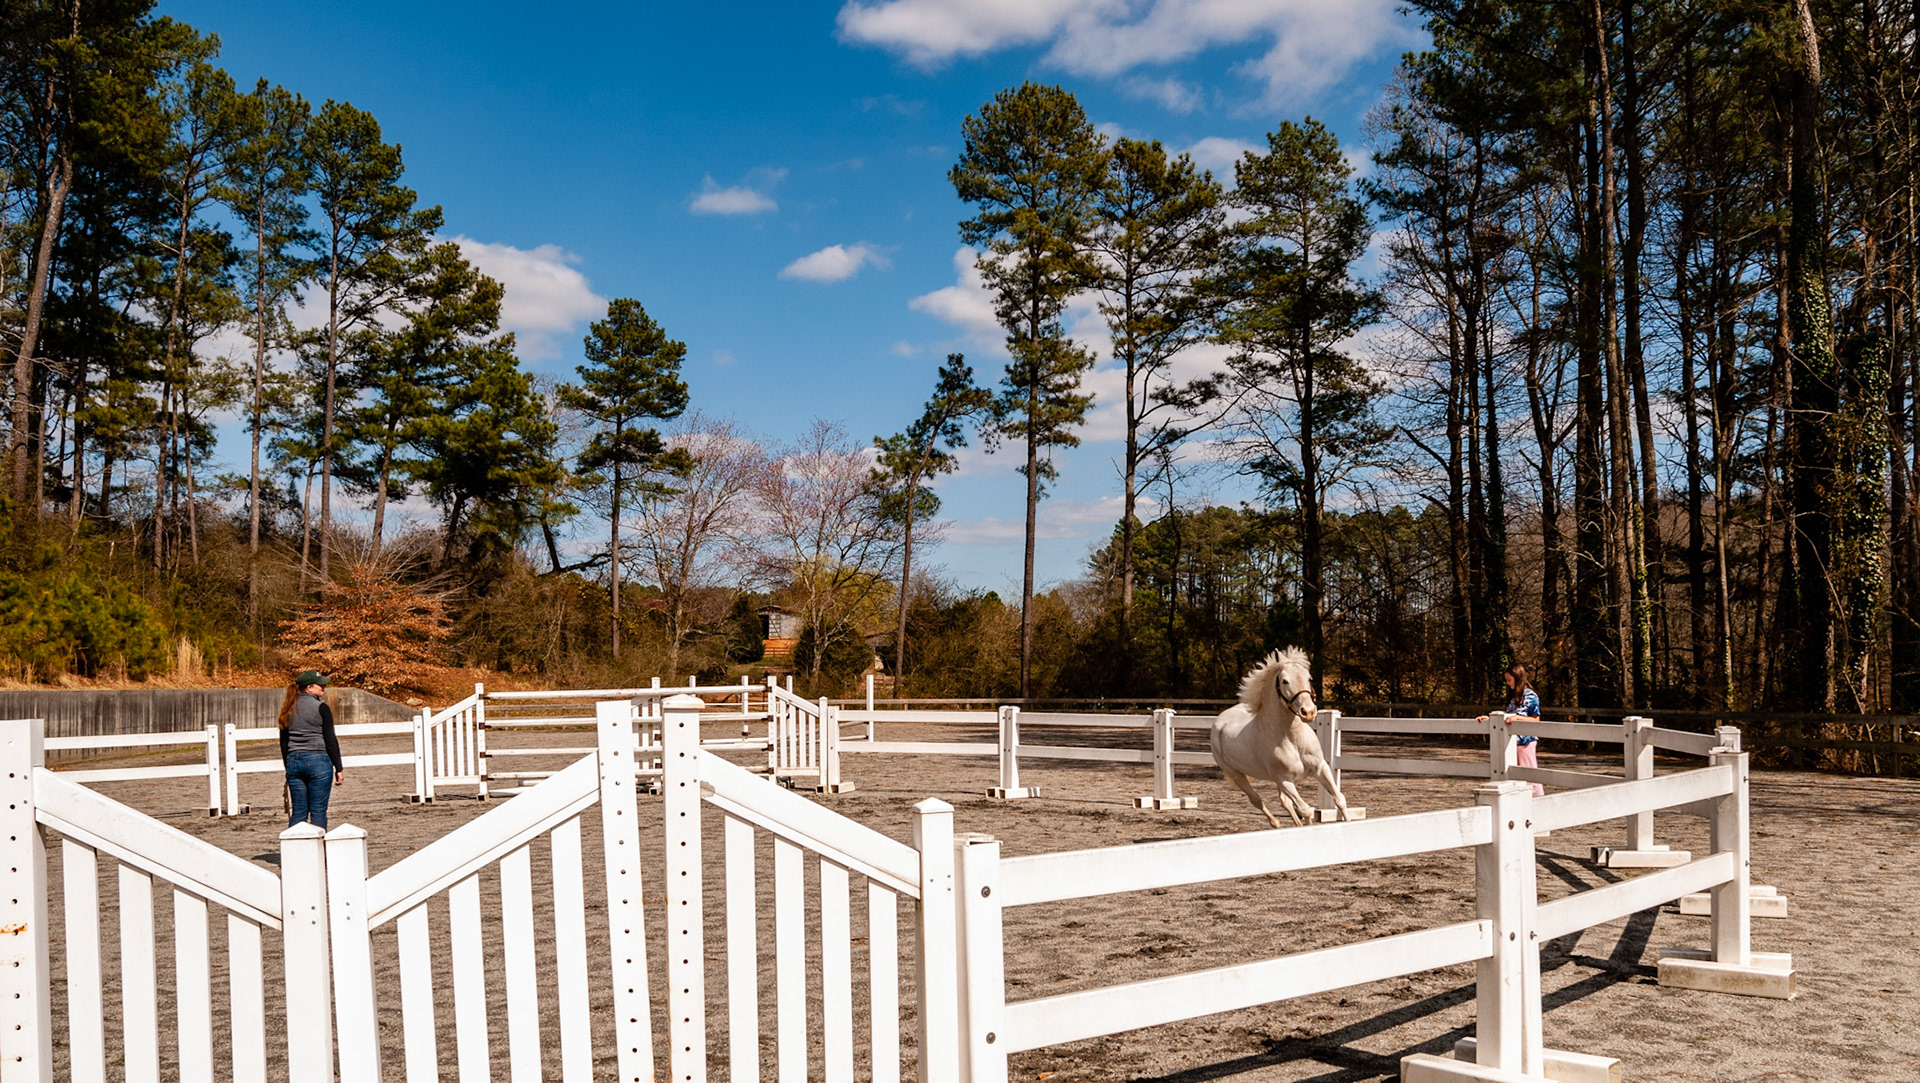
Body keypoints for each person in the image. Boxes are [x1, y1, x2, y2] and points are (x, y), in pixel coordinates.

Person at [279, 670, 344, 828]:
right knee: (318, 811)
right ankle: (318, 843)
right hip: (318, 761)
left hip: (294, 761)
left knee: (298, 812)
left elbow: (284, 741)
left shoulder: (288, 708)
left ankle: (295, 843)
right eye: (320, 685)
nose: (324, 687)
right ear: (309, 687)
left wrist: (288, 766)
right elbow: (330, 740)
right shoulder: (321, 707)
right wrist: (338, 767)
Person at [1478, 664, 1544, 797]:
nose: (1507, 683)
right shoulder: (1514, 697)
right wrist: (1491, 719)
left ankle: (1538, 801)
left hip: (1526, 741)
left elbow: (1536, 719)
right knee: (1514, 777)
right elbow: (1508, 717)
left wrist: (1518, 718)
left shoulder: (1530, 696)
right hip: (1512, 742)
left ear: (1517, 678)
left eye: (1509, 680)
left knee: (1531, 776)